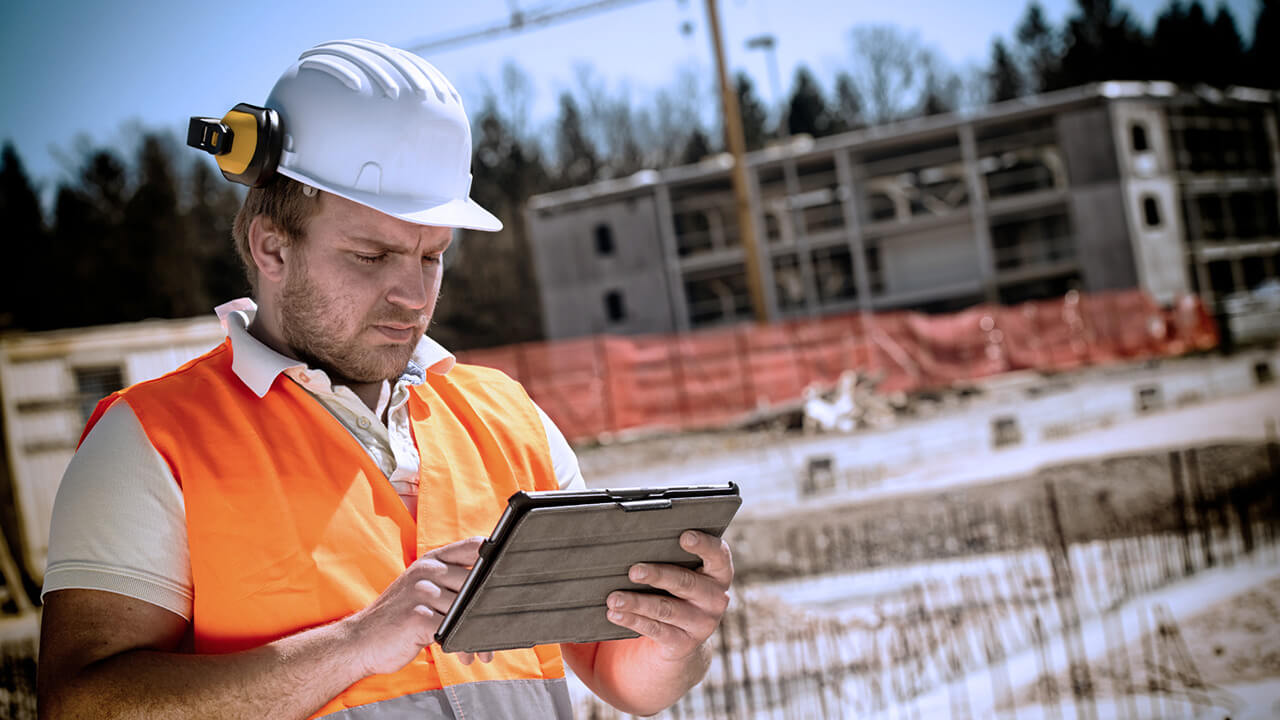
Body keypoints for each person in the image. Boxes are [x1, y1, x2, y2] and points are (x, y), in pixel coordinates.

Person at [37, 39, 733, 719]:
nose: (413, 295)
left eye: (432, 257)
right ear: (271, 247)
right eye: (373, 256)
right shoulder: (153, 442)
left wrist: (674, 638)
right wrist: (353, 646)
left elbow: (624, 678)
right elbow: (80, 706)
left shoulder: (507, 418)